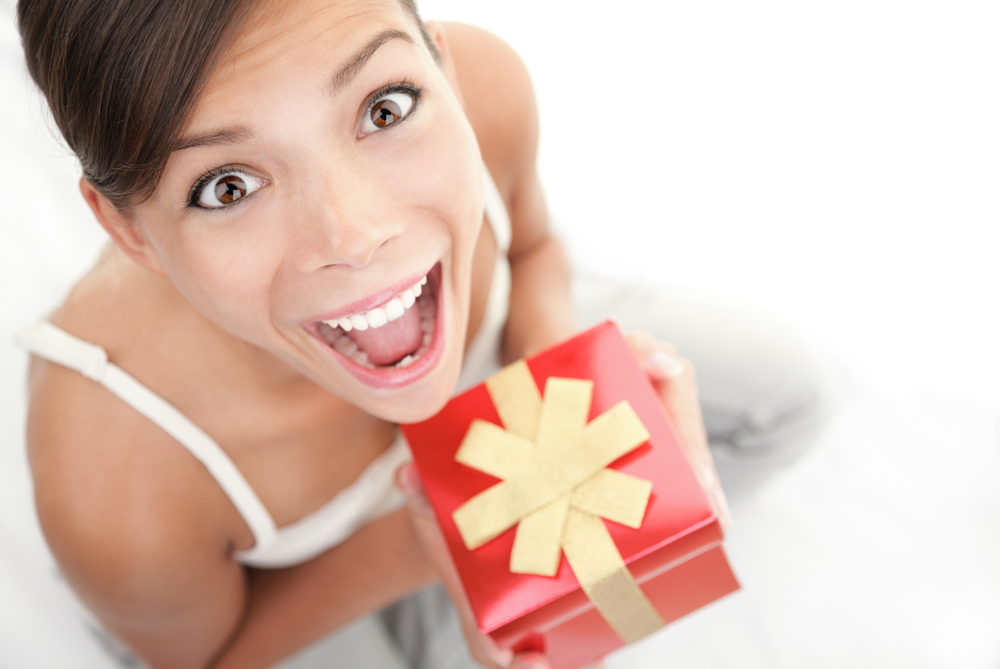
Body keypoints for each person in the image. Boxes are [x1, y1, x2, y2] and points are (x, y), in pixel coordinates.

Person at [14, 0, 831, 667]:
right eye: (227, 186)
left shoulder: (488, 85)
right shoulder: (113, 483)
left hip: (494, 406)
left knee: (787, 398)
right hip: (302, 594)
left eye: (384, 107)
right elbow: (208, 654)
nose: (354, 235)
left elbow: (537, 244)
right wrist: (421, 543)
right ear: (130, 232)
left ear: (438, 61)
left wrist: (549, 376)